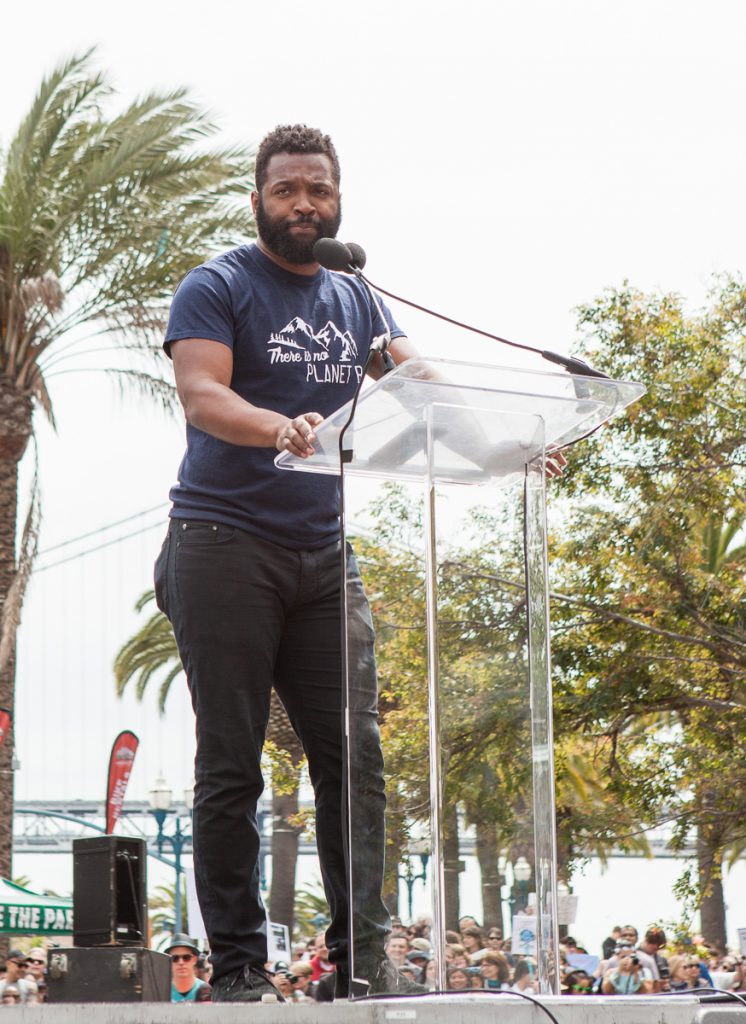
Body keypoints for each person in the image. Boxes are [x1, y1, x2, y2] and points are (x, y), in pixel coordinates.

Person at [156, 123, 420, 1004]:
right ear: (259, 198)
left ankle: (361, 963)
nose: (305, 204)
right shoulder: (219, 285)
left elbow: (424, 390)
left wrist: (510, 445)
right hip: (223, 544)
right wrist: (278, 426)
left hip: (323, 557)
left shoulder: (358, 297)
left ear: (338, 197)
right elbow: (202, 394)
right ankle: (237, 968)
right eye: (286, 191)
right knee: (230, 763)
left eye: (318, 189)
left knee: (356, 760)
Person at [166, 934, 211, 1003]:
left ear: (194, 959)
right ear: (169, 960)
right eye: (175, 958)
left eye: (186, 957)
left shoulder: (206, 990)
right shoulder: (163, 991)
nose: (181, 962)